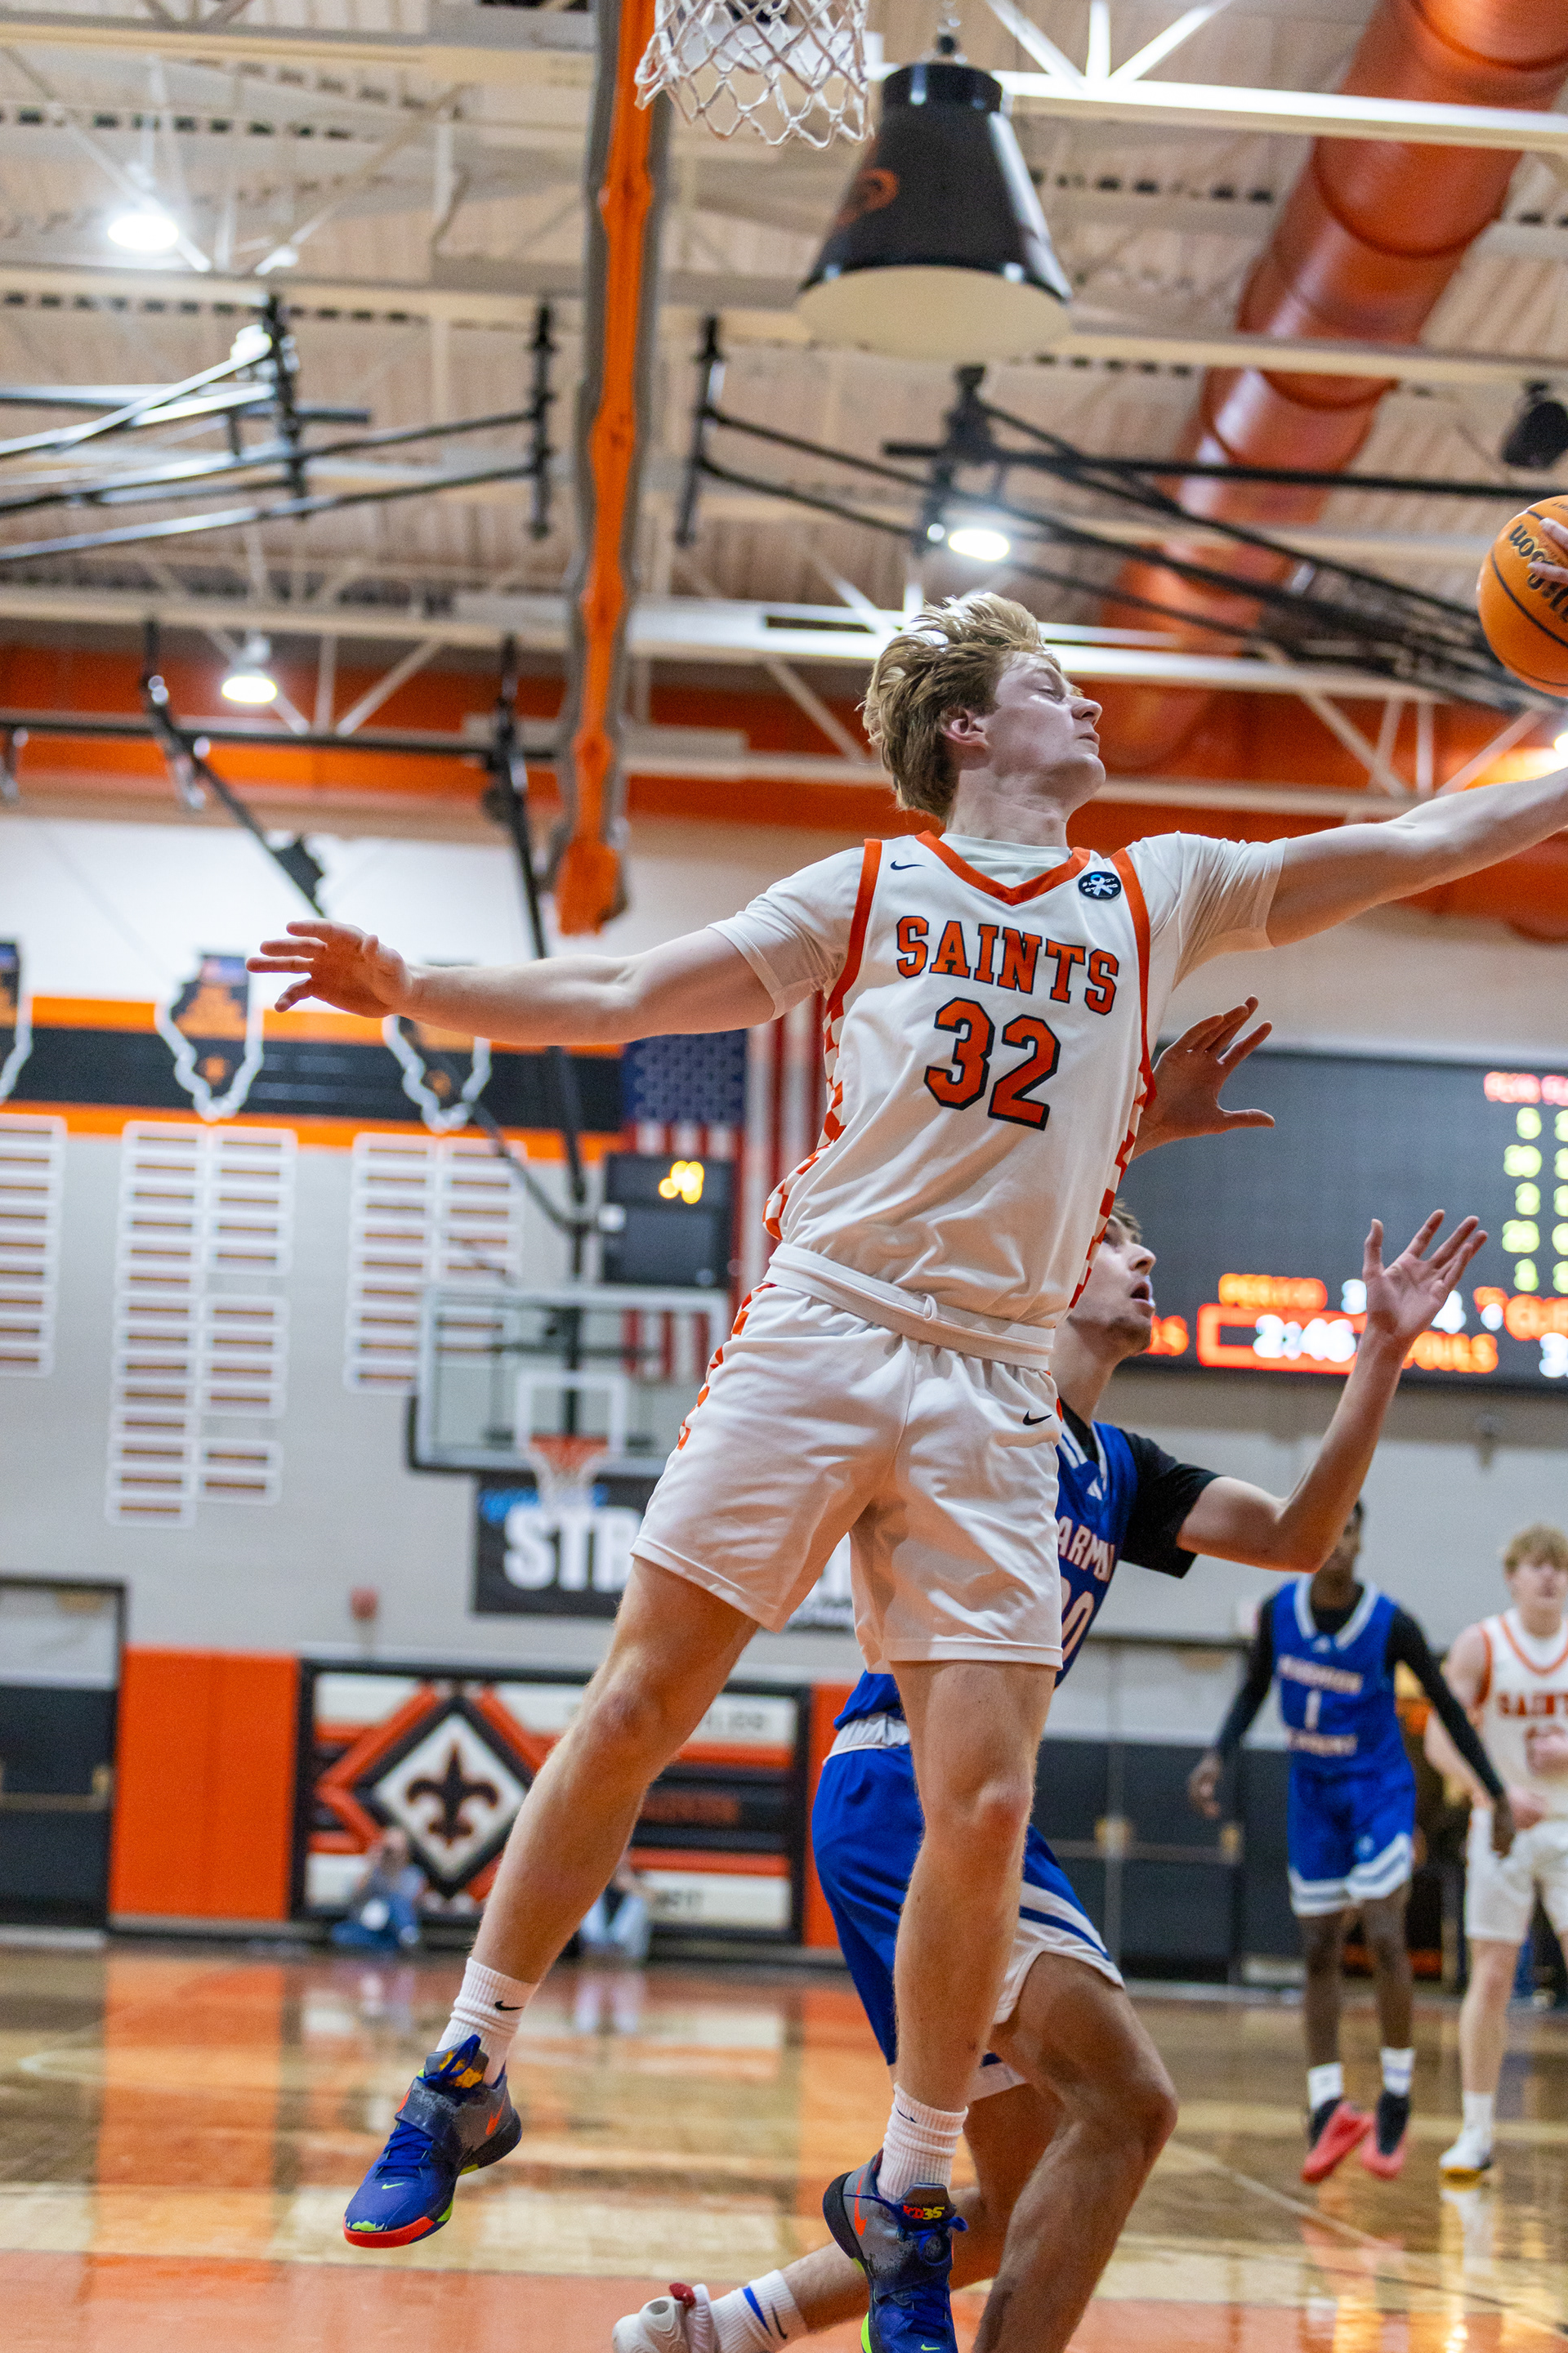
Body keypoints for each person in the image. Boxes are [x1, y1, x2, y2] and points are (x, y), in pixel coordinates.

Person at [252, 590, 1568, 2346]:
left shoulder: (1154, 891)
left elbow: (1417, 842)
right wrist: (417, 986)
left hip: (994, 1377)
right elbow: (626, 992)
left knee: (993, 1804)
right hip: (828, 1321)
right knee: (640, 1698)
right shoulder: (870, 888)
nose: (1085, 704)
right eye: (1050, 684)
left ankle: (913, 2185)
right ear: (967, 728)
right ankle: (465, 2067)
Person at [614, 1194, 1484, 2353]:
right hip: (908, 1790)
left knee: (1024, 2201)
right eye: (1112, 1238)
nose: (1146, 1252)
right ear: (1046, 1274)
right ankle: (879, 2207)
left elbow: (1295, 1537)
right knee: (1129, 2104)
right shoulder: (970, 1400)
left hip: (955, 1811)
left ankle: (718, 2331)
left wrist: (1377, 1356)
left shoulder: (1120, 1468)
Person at [1188, 1511, 1513, 2185]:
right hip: (1313, 1794)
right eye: (1328, 1531)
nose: (1338, 1544)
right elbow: (1253, 1688)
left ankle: (1396, 2094)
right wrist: (1217, 1755)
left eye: (1349, 1532)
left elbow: (1448, 1709)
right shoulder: (1277, 1613)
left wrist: (1498, 1794)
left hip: (1377, 1789)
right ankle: (1325, 2105)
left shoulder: (1392, 1623)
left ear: (1362, 1540)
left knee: (1386, 1934)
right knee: (1317, 1948)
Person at [1423, 1522, 1568, 2180]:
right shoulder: (1483, 1644)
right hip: (1502, 1826)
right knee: (1491, 1974)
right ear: (1512, 1577)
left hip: (1565, 1824)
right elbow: (1439, 1740)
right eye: (1537, 1565)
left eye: (1559, 1566)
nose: (1550, 1576)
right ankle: (1476, 2132)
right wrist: (1495, 1793)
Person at [330, 1829, 426, 1953]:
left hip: (395, 1927)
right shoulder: (372, 1872)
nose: (390, 1853)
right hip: (370, 1926)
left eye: (395, 1849)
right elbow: (352, 1896)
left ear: (406, 1851)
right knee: (340, 1934)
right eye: (387, 1848)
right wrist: (371, 1866)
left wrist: (393, 1870)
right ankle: (389, 1946)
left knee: (396, 1902)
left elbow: (408, 1901)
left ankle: (408, 1938)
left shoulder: (413, 1874)